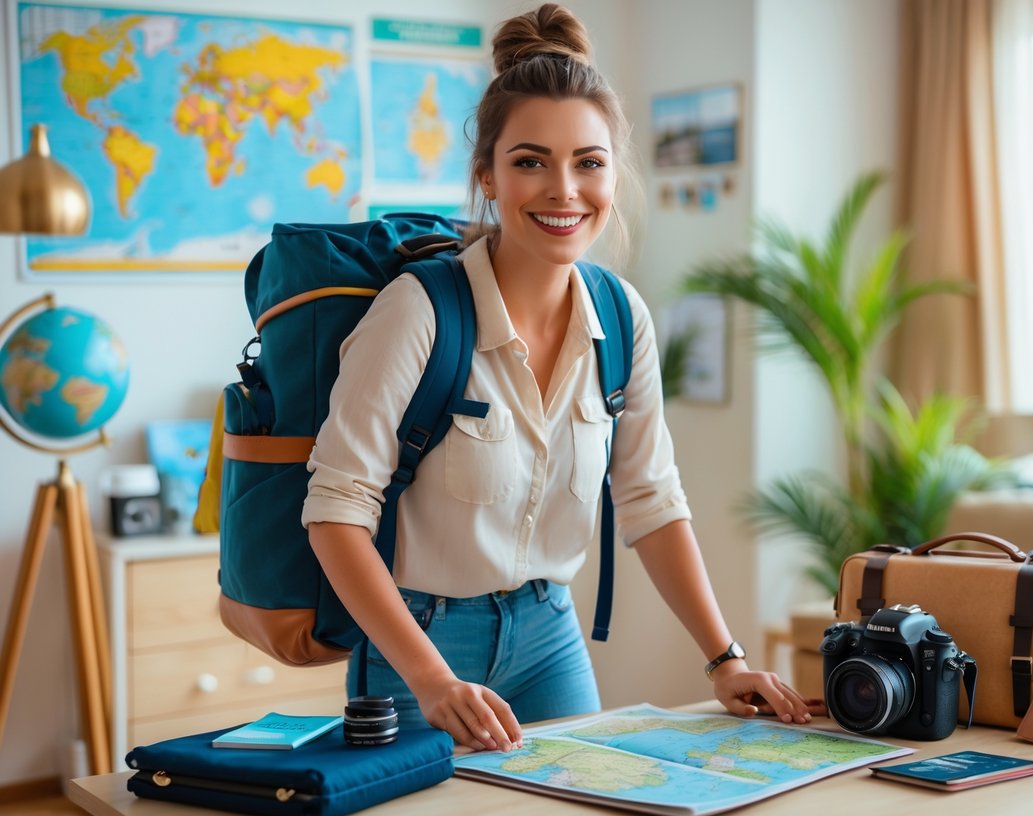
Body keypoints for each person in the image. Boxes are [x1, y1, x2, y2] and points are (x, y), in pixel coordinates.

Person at [303, 3, 813, 753]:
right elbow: (336, 513)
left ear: (613, 172)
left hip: (550, 636)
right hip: (419, 645)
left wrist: (724, 659)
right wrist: (431, 678)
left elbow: (650, 500)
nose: (563, 191)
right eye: (530, 160)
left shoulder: (621, 313)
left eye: (589, 162)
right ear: (487, 173)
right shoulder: (418, 312)